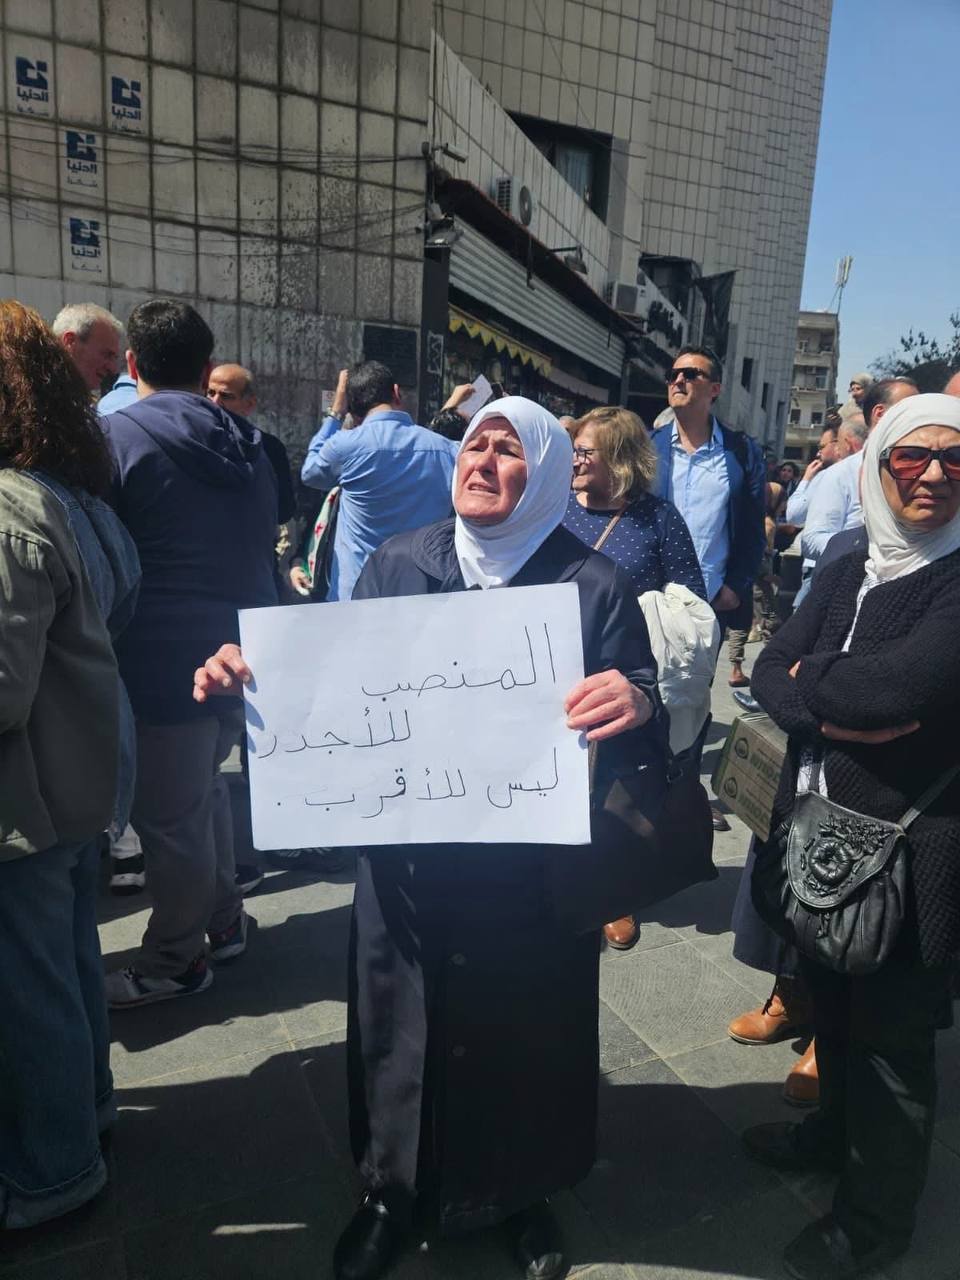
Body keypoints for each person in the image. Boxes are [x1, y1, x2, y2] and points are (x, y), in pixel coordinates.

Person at [195, 396, 666, 1280]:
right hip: (407, 863)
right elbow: (333, 683)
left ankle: (522, 1193)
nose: (481, 460)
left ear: (546, 474)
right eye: (474, 445)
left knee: (528, 1028)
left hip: (529, 873)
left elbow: (642, 702)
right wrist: (253, 682)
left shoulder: (591, 584)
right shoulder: (398, 562)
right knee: (397, 1024)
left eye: (508, 450)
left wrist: (636, 698)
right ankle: (388, 1193)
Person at [740, 393, 960, 1279]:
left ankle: (875, 1220)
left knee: (892, 1041)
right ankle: (832, 1138)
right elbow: (767, 666)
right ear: (878, 465)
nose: (935, 475)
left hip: (912, 851)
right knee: (830, 1005)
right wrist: (830, 706)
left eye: (956, 459)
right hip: (820, 831)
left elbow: (895, 691)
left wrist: (814, 682)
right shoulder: (849, 561)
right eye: (913, 457)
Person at [0, 300, 140, 1227]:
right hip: (79, 774)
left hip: (30, 797)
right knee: (66, 962)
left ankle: (52, 1173)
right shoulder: (67, 495)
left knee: (30, 984)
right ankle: (86, 1117)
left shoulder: (8, 507)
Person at [102, 299, 279, 1007]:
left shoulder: (115, 438)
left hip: (158, 659)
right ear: (207, 369)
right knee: (204, 795)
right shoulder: (252, 443)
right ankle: (225, 920)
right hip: (245, 652)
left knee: (172, 823)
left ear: (132, 363)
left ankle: (176, 960)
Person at [562, 404, 704, 951]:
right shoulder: (556, 507)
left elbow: (690, 597)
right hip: (555, 664)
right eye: (574, 449)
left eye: (585, 451)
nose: (575, 460)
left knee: (616, 781)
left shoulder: (658, 519)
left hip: (625, 674)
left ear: (620, 458)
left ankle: (615, 890)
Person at [300, 361, 458, 602]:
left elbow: (311, 473)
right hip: (423, 594)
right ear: (396, 392)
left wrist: (335, 414)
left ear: (351, 407)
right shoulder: (448, 451)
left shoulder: (345, 446)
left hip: (356, 595)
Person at [207, 363, 296, 526]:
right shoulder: (192, 439)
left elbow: (283, 510)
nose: (215, 402)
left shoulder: (270, 448)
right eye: (210, 393)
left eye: (226, 396)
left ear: (249, 404)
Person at [52, 302, 122, 395]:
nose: (113, 368)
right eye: (106, 355)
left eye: (114, 358)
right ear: (70, 341)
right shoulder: (35, 394)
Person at [784, 426, 840, 527]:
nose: (818, 453)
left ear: (837, 444)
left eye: (822, 447)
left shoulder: (824, 476)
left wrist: (806, 479)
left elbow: (794, 515)